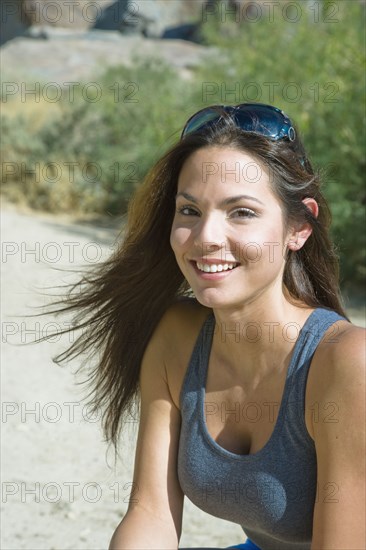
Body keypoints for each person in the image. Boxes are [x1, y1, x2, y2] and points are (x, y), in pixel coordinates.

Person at [53, 103, 365, 549]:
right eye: (190, 211)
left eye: (241, 212)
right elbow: (151, 512)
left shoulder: (345, 363)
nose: (206, 238)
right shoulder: (178, 336)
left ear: (298, 226)